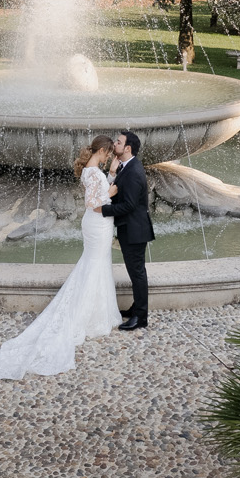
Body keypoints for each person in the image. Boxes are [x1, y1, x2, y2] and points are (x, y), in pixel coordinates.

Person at [0, 135, 123, 380]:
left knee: (95, 265)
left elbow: (99, 191)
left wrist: (111, 177)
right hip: (97, 222)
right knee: (94, 265)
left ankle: (95, 312)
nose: (108, 158)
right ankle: (88, 316)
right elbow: (93, 203)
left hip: (96, 225)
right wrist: (111, 191)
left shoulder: (90, 171)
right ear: (102, 150)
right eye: (108, 154)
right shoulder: (94, 174)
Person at [98, 129, 154, 330]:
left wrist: (104, 210)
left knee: (137, 273)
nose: (115, 144)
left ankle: (141, 317)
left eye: (119, 142)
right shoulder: (127, 167)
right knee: (135, 272)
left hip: (134, 230)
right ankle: (136, 308)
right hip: (131, 229)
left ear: (127, 148)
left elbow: (129, 205)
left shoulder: (133, 171)